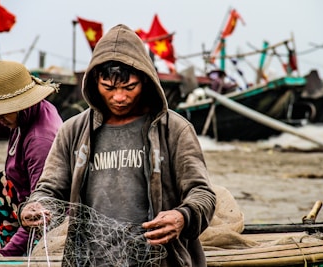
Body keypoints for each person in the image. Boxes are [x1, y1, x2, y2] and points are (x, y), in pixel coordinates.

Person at [19, 24, 216, 266]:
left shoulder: (175, 129)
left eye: (129, 87)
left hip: (161, 261)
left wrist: (182, 216)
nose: (119, 97)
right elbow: (50, 190)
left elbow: (202, 194)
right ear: (94, 83)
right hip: (89, 261)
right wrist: (35, 207)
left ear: (145, 81)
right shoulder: (73, 130)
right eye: (109, 88)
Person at [0, 60, 63, 256]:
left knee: (29, 222)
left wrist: (6, 256)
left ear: (20, 104)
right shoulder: (22, 114)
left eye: (0, 112)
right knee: (1, 181)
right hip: (24, 197)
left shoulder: (39, 141)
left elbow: (41, 212)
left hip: (47, 218)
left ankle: (19, 249)